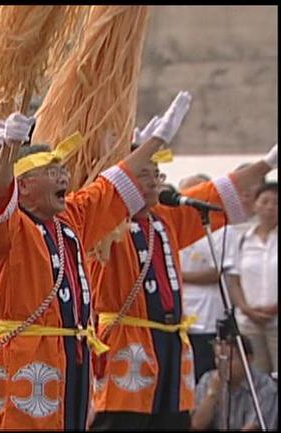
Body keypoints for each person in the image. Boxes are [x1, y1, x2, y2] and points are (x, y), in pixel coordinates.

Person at [0, 91, 194, 430]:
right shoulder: (9, 230)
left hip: (72, 352)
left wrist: (154, 143)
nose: (64, 177)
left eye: (63, 170)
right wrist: (7, 150)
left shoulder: (70, 219)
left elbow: (111, 187)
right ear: (25, 186)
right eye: (52, 171)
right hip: (26, 355)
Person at [88, 119, 277, 431]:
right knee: (123, 420)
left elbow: (217, 193)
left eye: (156, 174)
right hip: (128, 338)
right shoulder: (104, 222)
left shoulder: (166, 217)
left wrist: (265, 165)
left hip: (172, 339)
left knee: (173, 422)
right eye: (142, 175)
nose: (154, 182)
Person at [178, 173, 236, 382]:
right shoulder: (173, 228)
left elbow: (216, 272)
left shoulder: (221, 230)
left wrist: (178, 275)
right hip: (180, 322)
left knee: (206, 377)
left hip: (208, 320)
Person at [227, 182, 278, 374]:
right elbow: (234, 280)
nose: (270, 207)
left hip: (276, 318)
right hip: (249, 321)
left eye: (276, 203)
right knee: (256, 376)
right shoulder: (243, 239)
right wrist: (246, 309)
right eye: (265, 201)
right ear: (255, 204)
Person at [191, 336, 278, 430]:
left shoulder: (265, 387)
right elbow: (197, 425)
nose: (221, 365)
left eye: (228, 360)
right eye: (217, 358)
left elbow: (253, 428)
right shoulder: (208, 380)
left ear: (247, 359)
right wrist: (212, 394)